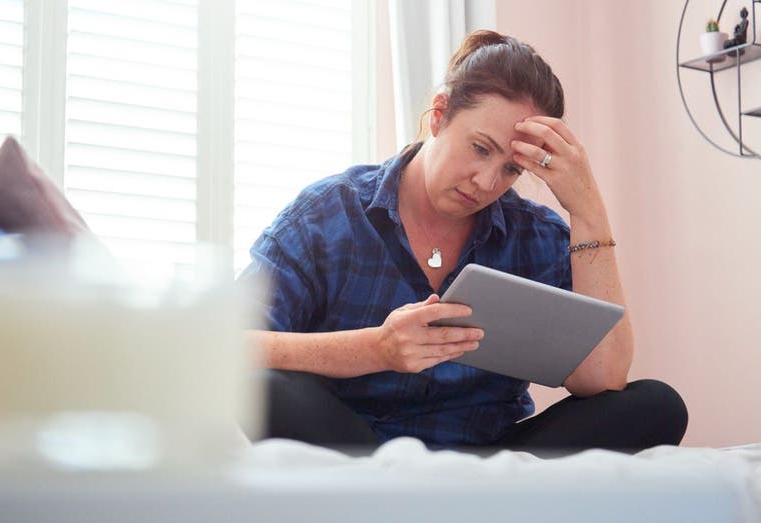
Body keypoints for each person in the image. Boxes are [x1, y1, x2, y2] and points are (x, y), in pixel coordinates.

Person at [240, 30, 687, 455]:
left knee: (656, 405)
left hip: (489, 458)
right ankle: (407, 500)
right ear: (439, 115)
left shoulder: (537, 235)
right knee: (263, 388)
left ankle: (459, 501)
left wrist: (588, 210)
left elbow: (602, 378)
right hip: (358, 450)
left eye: (512, 170)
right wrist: (375, 348)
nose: (487, 181)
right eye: (480, 148)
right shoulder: (328, 213)